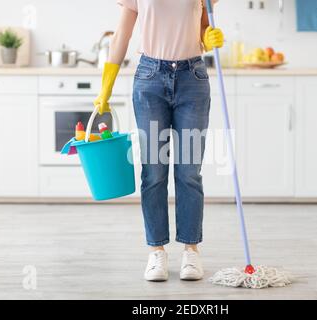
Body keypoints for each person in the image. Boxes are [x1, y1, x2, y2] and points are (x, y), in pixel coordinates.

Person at [94, 0, 224, 282]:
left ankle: (191, 249)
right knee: (153, 171)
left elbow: (203, 26)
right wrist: (106, 86)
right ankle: (157, 251)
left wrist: (209, 36)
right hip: (150, 78)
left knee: (189, 171)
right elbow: (122, 35)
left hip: (193, 78)